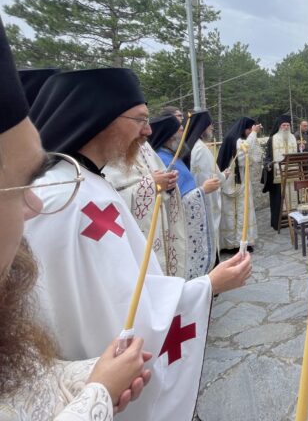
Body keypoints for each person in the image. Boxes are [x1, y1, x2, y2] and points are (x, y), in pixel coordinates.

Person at [25, 67, 252, 421]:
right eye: (140, 119)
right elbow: (124, 309)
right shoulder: (73, 200)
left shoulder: (84, 183)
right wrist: (208, 285)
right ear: (101, 119)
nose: (148, 131)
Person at [1, 20, 150, 418]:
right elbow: (108, 307)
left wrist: (95, 379)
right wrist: (99, 391)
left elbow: (25, 389)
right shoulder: (66, 196)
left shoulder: (90, 185)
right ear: (102, 118)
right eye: (16, 184)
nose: (34, 205)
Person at [103, 129, 187, 278]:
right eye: (140, 120)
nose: (148, 129)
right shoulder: (106, 148)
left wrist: (169, 184)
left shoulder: (144, 146)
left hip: (160, 229)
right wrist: (149, 185)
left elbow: (160, 180)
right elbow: (106, 200)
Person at [149, 114, 219, 279]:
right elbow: (170, 203)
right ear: (169, 136)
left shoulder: (173, 157)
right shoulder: (164, 161)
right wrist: (202, 190)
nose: (184, 136)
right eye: (181, 130)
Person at [189, 112, 227, 265]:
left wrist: (222, 175)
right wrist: (222, 177)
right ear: (203, 127)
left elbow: (211, 173)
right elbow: (206, 180)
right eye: (210, 125)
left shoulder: (195, 145)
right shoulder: (200, 149)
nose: (212, 128)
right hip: (205, 202)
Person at [218, 117, 260, 251]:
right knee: (240, 211)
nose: (250, 133)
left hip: (231, 179)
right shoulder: (238, 141)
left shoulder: (231, 137)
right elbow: (243, 157)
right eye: (249, 130)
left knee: (232, 212)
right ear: (245, 129)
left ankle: (233, 242)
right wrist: (254, 134)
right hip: (236, 180)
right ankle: (238, 243)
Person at [262, 115, 298, 231]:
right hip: (278, 175)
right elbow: (267, 157)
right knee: (278, 200)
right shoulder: (272, 139)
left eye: (288, 125)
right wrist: (268, 164)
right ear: (279, 126)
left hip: (293, 174)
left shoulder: (293, 138)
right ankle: (278, 222)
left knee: (293, 198)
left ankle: (293, 219)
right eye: (284, 125)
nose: (286, 127)